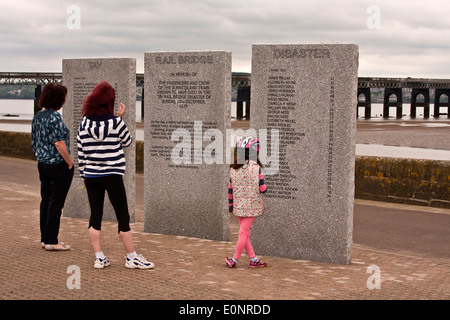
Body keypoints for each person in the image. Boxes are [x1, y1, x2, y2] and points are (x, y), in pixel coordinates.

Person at [77, 81, 154, 269]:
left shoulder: (84, 123)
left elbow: (81, 151)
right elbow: (127, 141)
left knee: (95, 216)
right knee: (122, 216)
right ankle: (131, 257)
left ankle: (99, 257)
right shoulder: (115, 123)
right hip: (112, 175)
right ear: (110, 101)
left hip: (91, 176)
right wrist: (120, 118)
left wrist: (84, 175)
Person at [31, 83, 74, 251]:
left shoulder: (38, 116)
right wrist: (69, 162)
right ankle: (52, 241)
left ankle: (45, 238)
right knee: (56, 203)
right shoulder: (55, 117)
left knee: (46, 201)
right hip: (58, 165)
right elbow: (59, 142)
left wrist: (42, 156)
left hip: (43, 164)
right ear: (58, 99)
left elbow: (33, 143)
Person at [225, 136, 268, 268]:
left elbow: (230, 190)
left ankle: (253, 259)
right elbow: (263, 189)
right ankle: (235, 260)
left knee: (245, 233)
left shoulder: (234, 169)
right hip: (252, 207)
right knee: (244, 233)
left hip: (239, 207)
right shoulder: (256, 169)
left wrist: (231, 207)